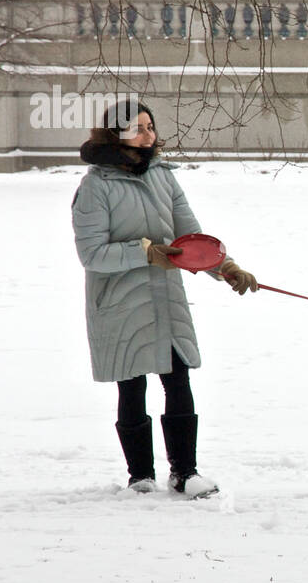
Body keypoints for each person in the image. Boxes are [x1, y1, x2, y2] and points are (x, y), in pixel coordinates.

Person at [71, 99, 259, 497]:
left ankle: (185, 473)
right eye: (138, 127)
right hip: (120, 302)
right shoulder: (95, 186)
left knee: (178, 379)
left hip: (164, 300)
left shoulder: (164, 177)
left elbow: (192, 240)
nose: (148, 134)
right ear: (115, 134)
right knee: (132, 387)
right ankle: (140, 475)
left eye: (151, 126)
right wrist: (145, 252)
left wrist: (227, 269)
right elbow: (92, 254)